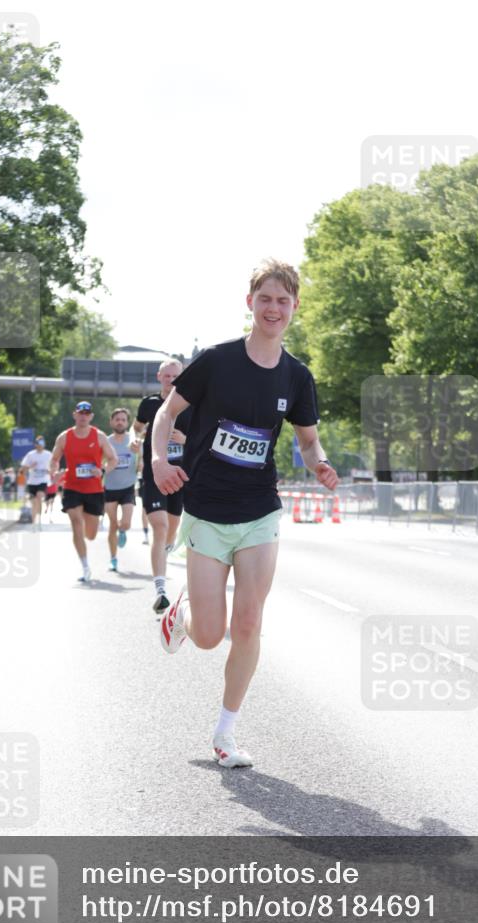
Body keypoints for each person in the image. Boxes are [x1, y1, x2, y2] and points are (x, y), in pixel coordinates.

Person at [153, 259, 339, 767]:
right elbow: (168, 413)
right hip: (208, 510)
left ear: (294, 308)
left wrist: (319, 463)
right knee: (210, 637)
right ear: (250, 302)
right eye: (266, 298)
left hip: (259, 510)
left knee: (251, 622)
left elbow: (307, 440)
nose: (274, 308)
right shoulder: (216, 360)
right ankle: (184, 614)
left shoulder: (297, 376)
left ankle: (226, 733)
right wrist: (156, 460)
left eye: (283, 300)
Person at [134, 360, 190, 612]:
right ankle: (160, 589)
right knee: (160, 526)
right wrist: (135, 441)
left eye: (175, 376)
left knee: (171, 529)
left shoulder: (190, 405)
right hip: (154, 475)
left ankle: (164, 555)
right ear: (159, 377)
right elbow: (136, 429)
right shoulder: (149, 404)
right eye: (166, 375)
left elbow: (204, 440)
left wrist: (185, 439)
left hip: (180, 477)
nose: (170, 380)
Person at [49, 401, 118, 582]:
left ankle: (89, 540)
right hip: (71, 487)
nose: (83, 416)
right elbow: (54, 459)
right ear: (75, 415)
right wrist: (54, 472)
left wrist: (102, 471)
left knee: (91, 534)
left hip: (94, 490)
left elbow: (113, 459)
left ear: (91, 416)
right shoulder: (64, 437)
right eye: (80, 413)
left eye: (87, 413)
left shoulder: (100, 436)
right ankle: (85, 566)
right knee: (76, 522)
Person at [103, 407, 140, 571]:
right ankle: (113, 559)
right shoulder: (105, 442)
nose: (120, 422)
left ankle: (123, 530)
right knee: (112, 525)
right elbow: (99, 463)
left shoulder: (134, 442)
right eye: (117, 419)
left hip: (127, 487)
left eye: (123, 419)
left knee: (125, 523)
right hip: (109, 488)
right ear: (111, 422)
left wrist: (140, 457)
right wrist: (107, 466)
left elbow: (141, 466)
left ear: (127, 423)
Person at [20, 436, 52, 528]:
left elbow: (54, 466)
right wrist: (30, 466)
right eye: (38, 444)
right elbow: (23, 470)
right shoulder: (30, 455)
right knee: (34, 502)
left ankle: (39, 520)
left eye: (42, 444)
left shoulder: (48, 454)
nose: (40, 446)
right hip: (32, 482)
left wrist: (50, 470)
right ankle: (34, 522)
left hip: (43, 480)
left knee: (39, 497)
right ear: (35, 445)